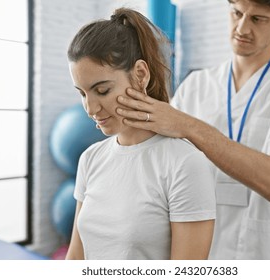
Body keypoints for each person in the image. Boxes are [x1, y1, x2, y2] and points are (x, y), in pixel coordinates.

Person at [116, 0, 270, 259]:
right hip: (201, 252)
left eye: (258, 19)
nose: (242, 28)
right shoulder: (196, 85)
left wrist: (188, 126)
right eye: (236, 13)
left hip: (268, 252)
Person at [65, 8, 216, 260]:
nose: (91, 108)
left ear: (140, 75)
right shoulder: (90, 159)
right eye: (82, 93)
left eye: (102, 90)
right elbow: (76, 258)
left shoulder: (185, 163)